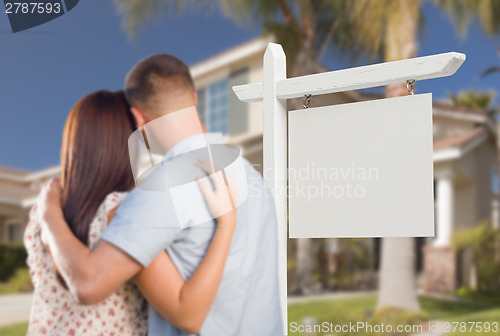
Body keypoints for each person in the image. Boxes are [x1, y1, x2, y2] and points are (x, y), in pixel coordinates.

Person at [39, 54, 283, 335]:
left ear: (138, 118)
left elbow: (89, 284)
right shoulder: (252, 179)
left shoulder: (161, 188)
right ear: (193, 98)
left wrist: (49, 215)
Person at [26, 90, 238, 335]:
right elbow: (188, 314)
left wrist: (49, 214)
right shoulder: (121, 212)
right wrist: (226, 223)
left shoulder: (45, 210)